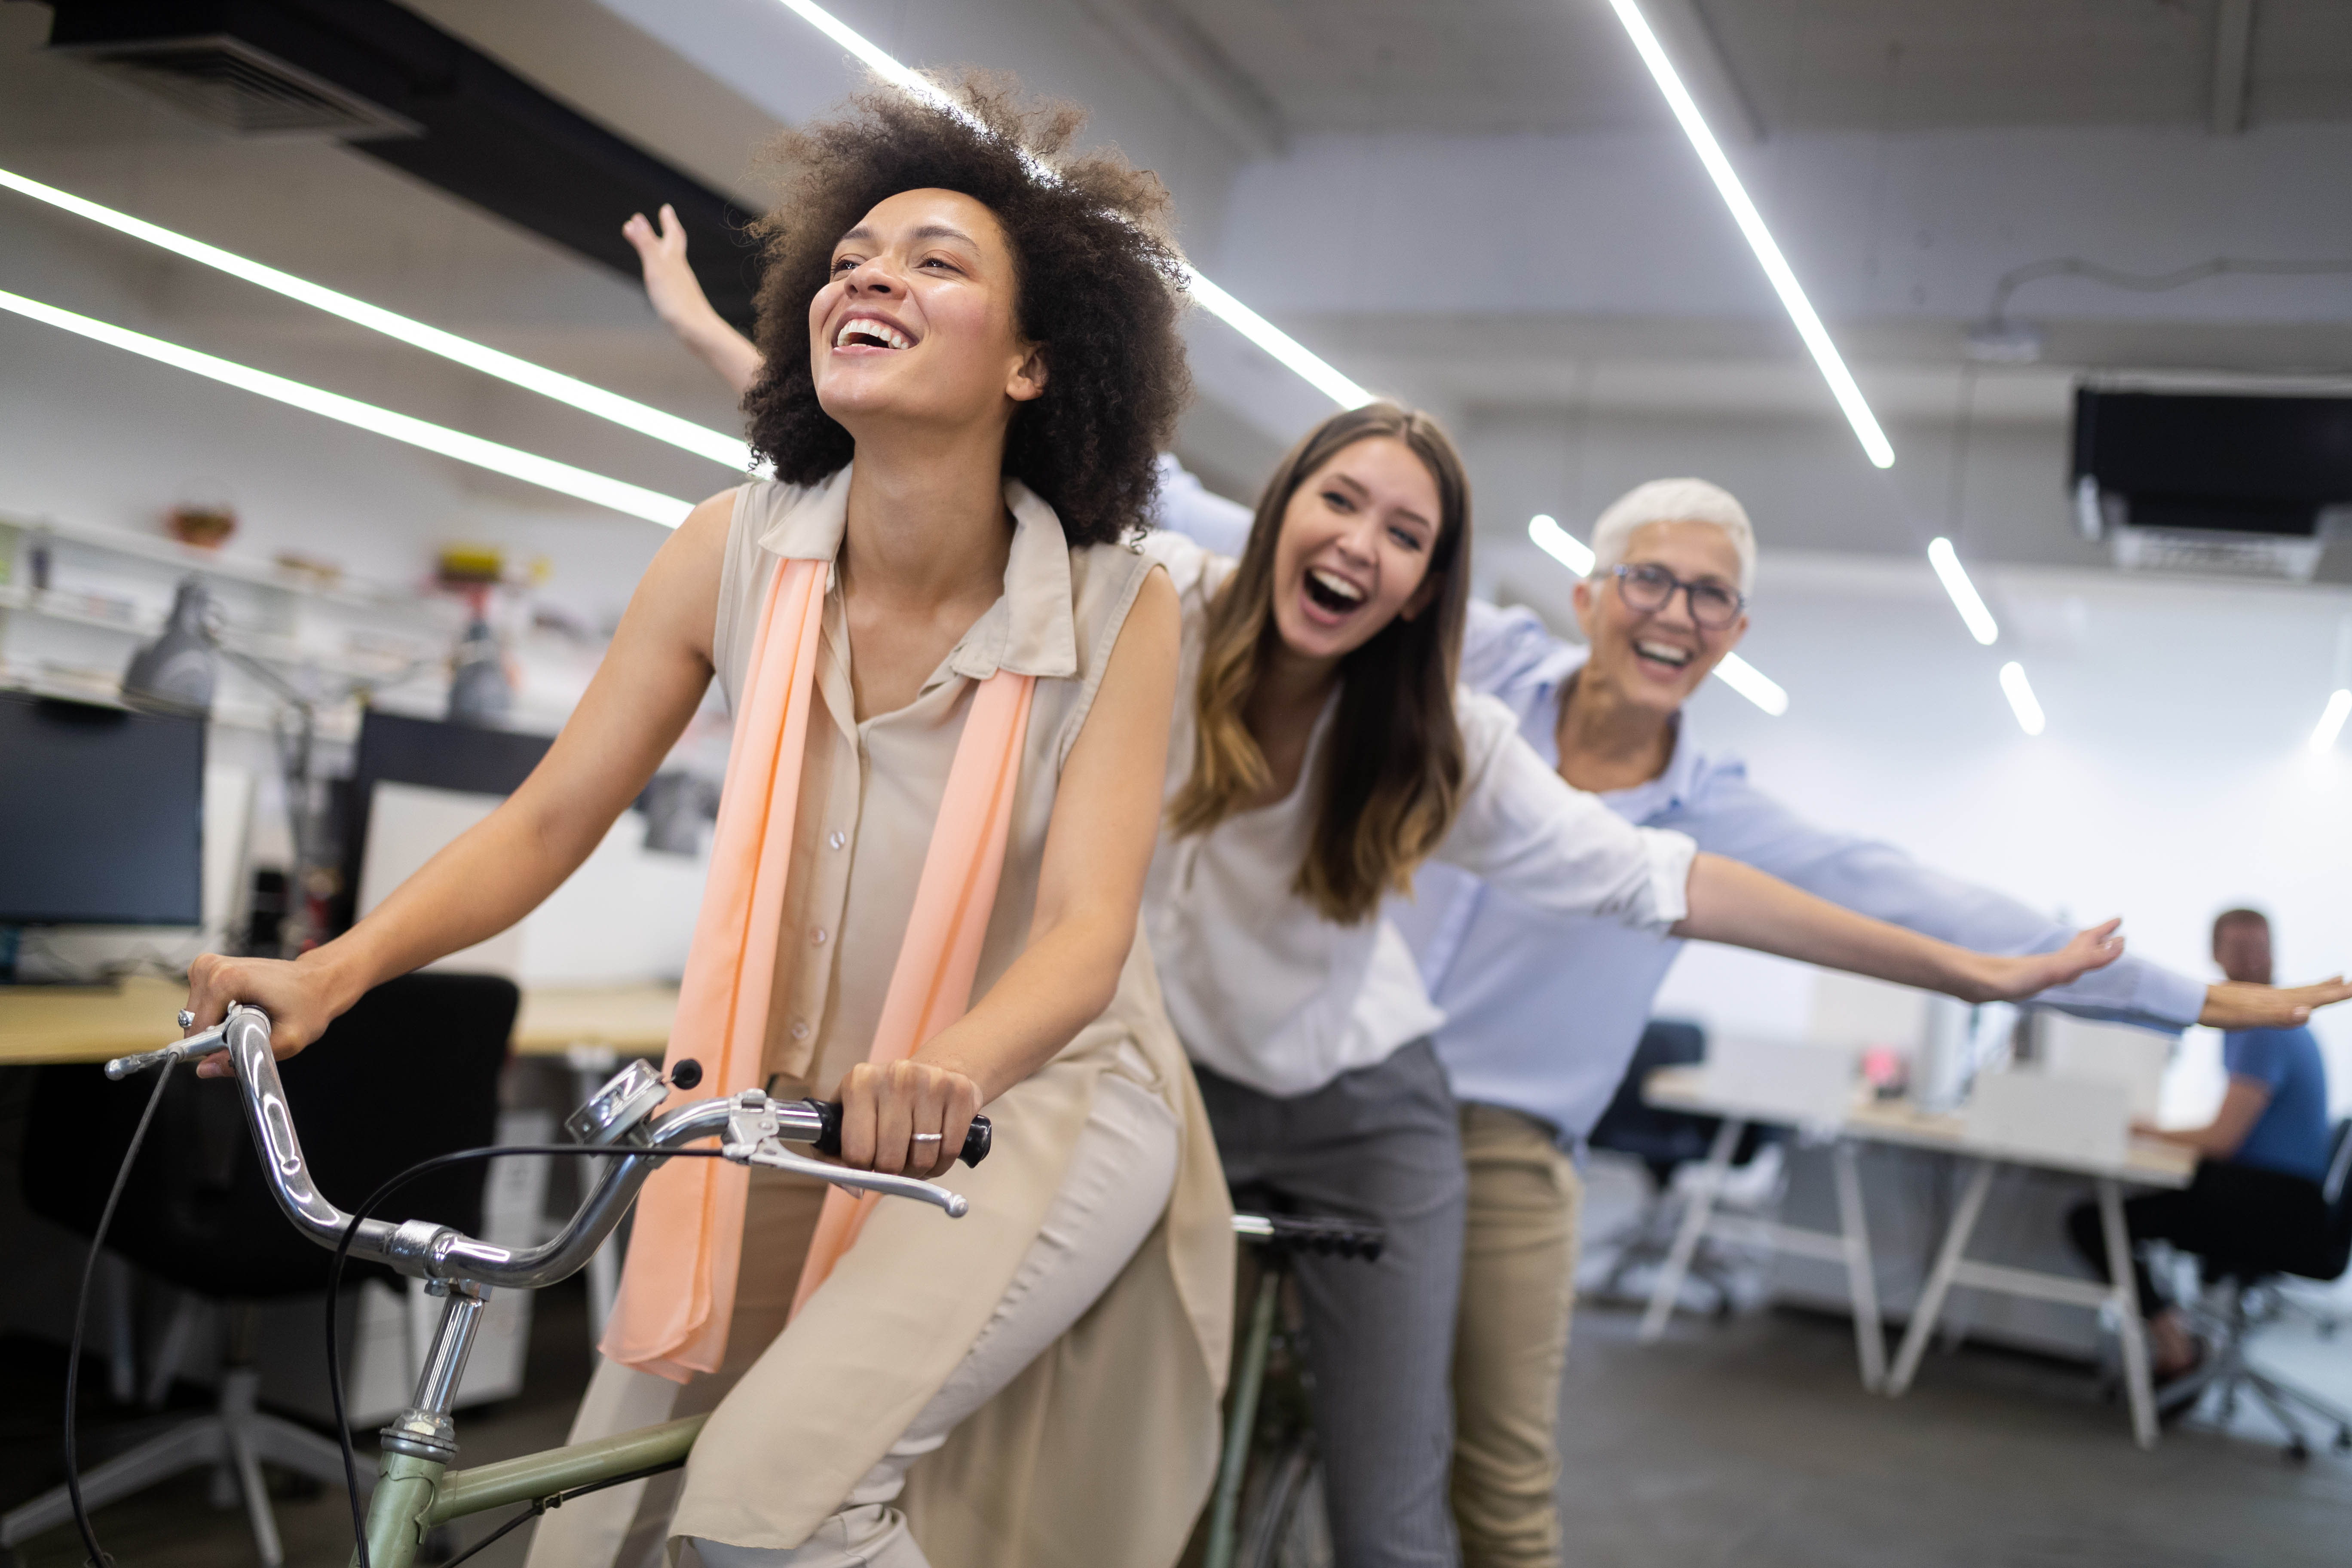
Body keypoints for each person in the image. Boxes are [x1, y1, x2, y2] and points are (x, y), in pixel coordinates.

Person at [183, 80, 1231, 1568]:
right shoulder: (730, 550)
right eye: (856, 253)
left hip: (1029, 1100)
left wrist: (953, 1068)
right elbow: (549, 819)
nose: (873, 272)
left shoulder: (1122, 607)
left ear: (1035, 362)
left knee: (768, 1506)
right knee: (592, 1523)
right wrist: (333, 971)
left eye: (937, 261)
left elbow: (1085, 930)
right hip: (782, 1090)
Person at [1138, 405, 2134, 1568]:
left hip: (1391, 1116)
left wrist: (1980, 975)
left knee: (1416, 1498)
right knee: (1156, 1452)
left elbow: (1706, 882)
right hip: (1185, 1085)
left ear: (1423, 589)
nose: (1362, 544)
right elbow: (1137, 479)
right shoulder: (1168, 605)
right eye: (1341, 503)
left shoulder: (1442, 740)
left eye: (1406, 535)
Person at [1375, 480, 2352, 1568]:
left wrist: (2189, 996)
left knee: (1496, 1494)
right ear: (1588, 592)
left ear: (1735, 634)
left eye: (1710, 597)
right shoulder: (1480, 666)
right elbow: (1255, 545)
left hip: (1504, 1141)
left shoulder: (1710, 814)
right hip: (1326, 1081)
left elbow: (1936, 909)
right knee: (1288, 1423)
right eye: (1648, 578)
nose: (1675, 612)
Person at [2067, 908, 2340, 1385]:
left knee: (2094, 1223)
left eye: (2261, 948)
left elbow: (2222, 1139)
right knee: (2127, 1213)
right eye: (2242, 950)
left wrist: (2146, 1130)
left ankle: (2176, 1344)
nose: (2255, 961)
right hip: (2283, 1201)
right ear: (2216, 955)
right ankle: (2180, 1333)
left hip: (2269, 1205)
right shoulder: (2261, 1021)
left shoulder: (2265, 1026)